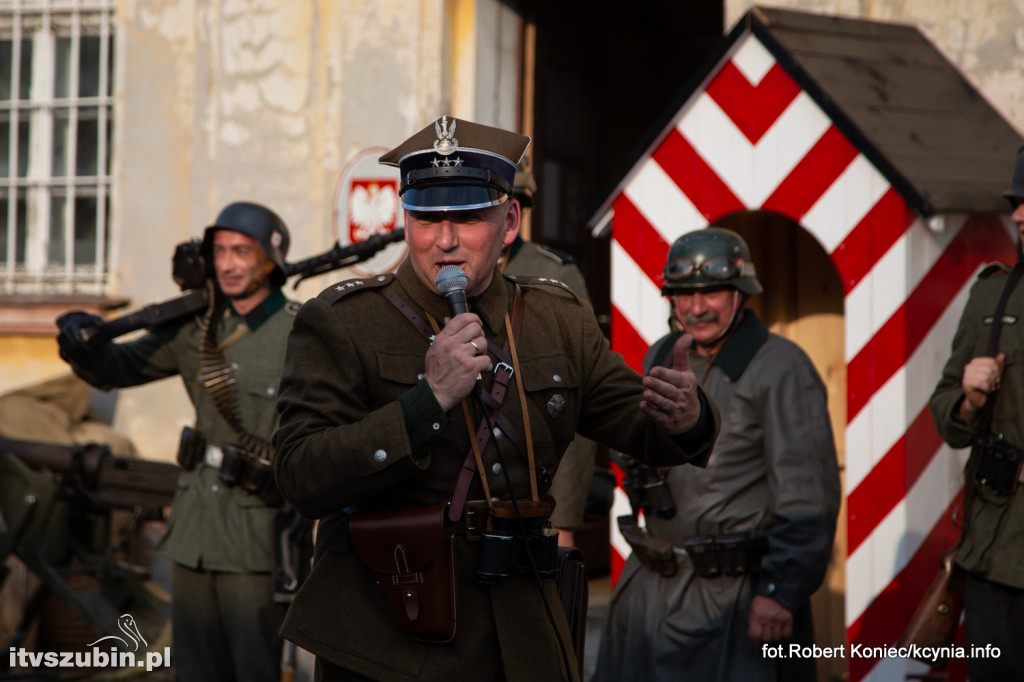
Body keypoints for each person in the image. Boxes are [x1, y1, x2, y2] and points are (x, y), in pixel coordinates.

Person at [271, 115, 720, 682]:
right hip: (389, 633)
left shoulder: (555, 317)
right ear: (406, 220)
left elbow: (639, 422)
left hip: (521, 628)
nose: (445, 240)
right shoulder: (343, 322)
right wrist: (427, 400)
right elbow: (300, 474)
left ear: (508, 222)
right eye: (427, 218)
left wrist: (686, 416)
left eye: (467, 218)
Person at [56, 202, 297, 682]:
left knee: (253, 667)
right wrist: (82, 343)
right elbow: (120, 368)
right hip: (194, 527)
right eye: (219, 252)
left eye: (241, 252)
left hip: (258, 533)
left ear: (270, 259)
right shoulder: (197, 328)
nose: (226, 264)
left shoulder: (301, 329)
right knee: (191, 670)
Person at [595, 227, 841, 682]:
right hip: (653, 591)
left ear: (740, 292)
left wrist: (780, 592)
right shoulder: (662, 356)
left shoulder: (782, 367)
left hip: (739, 597)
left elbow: (809, 497)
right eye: (683, 294)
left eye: (711, 291)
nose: (696, 307)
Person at [928, 150, 1024, 680]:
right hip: (994, 543)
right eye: (1016, 204)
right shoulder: (992, 292)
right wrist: (968, 399)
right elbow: (946, 416)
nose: (1017, 215)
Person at [500, 164, 599, 547]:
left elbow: (577, 395)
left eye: (515, 204)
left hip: (535, 482)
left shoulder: (553, 275)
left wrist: (565, 515)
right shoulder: (447, 269)